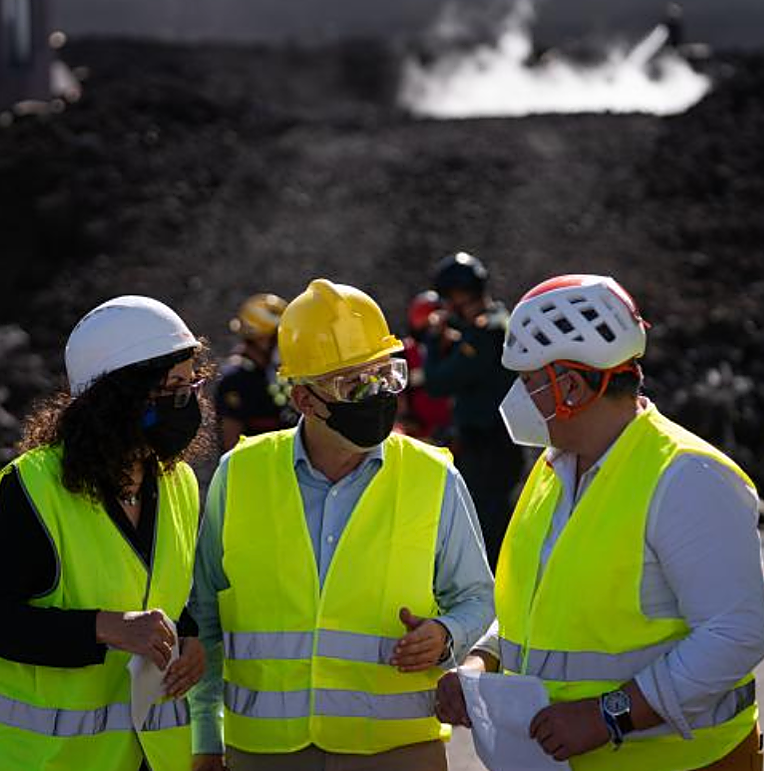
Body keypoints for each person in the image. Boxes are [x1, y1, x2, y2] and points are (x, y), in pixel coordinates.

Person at [435, 274, 764, 770]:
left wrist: (610, 714)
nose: (517, 398)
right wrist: (482, 661)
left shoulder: (686, 477)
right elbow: (541, 605)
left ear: (569, 386)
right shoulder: (554, 468)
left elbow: (736, 633)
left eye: (528, 381)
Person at [190, 278, 495, 771]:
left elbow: (479, 598)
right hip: (264, 754)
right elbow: (204, 616)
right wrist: (206, 736)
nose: (376, 395)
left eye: (385, 375)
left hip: (396, 752)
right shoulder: (239, 475)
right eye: (353, 384)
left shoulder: (433, 475)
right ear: (305, 398)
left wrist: (445, 633)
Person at [0, 296, 212, 771]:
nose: (189, 403)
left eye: (191, 384)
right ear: (120, 398)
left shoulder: (179, 483)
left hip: (147, 759)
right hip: (40, 760)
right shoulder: (33, 487)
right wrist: (104, 628)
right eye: (172, 389)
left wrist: (191, 640)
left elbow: (166, 593)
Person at [423, 252, 522, 567]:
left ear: (458, 295)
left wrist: (433, 341)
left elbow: (437, 383)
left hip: (487, 445)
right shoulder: (498, 321)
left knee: (486, 528)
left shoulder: (483, 334)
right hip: (498, 443)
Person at [214, 293, 296, 452]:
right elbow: (231, 445)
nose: (282, 344)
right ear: (256, 339)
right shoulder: (235, 379)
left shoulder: (280, 372)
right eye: (276, 338)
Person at [397, 290, 453, 444]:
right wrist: (407, 420)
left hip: (451, 433)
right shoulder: (406, 352)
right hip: (419, 434)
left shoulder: (454, 347)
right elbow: (398, 394)